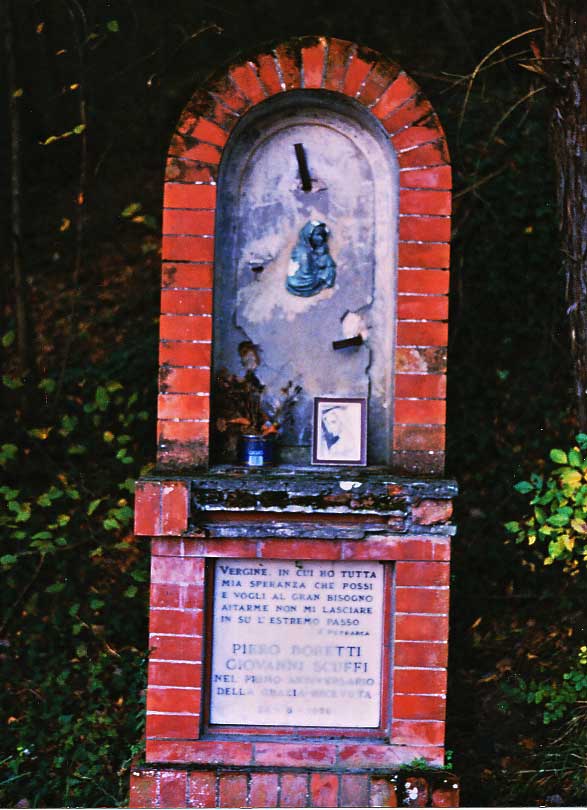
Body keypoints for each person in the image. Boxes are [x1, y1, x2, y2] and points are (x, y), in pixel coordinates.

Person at [286, 220, 336, 297]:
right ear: (308, 235)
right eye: (317, 235)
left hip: (300, 281)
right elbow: (305, 274)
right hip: (305, 283)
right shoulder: (303, 253)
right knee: (329, 271)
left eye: (322, 235)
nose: (320, 238)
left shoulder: (311, 249)